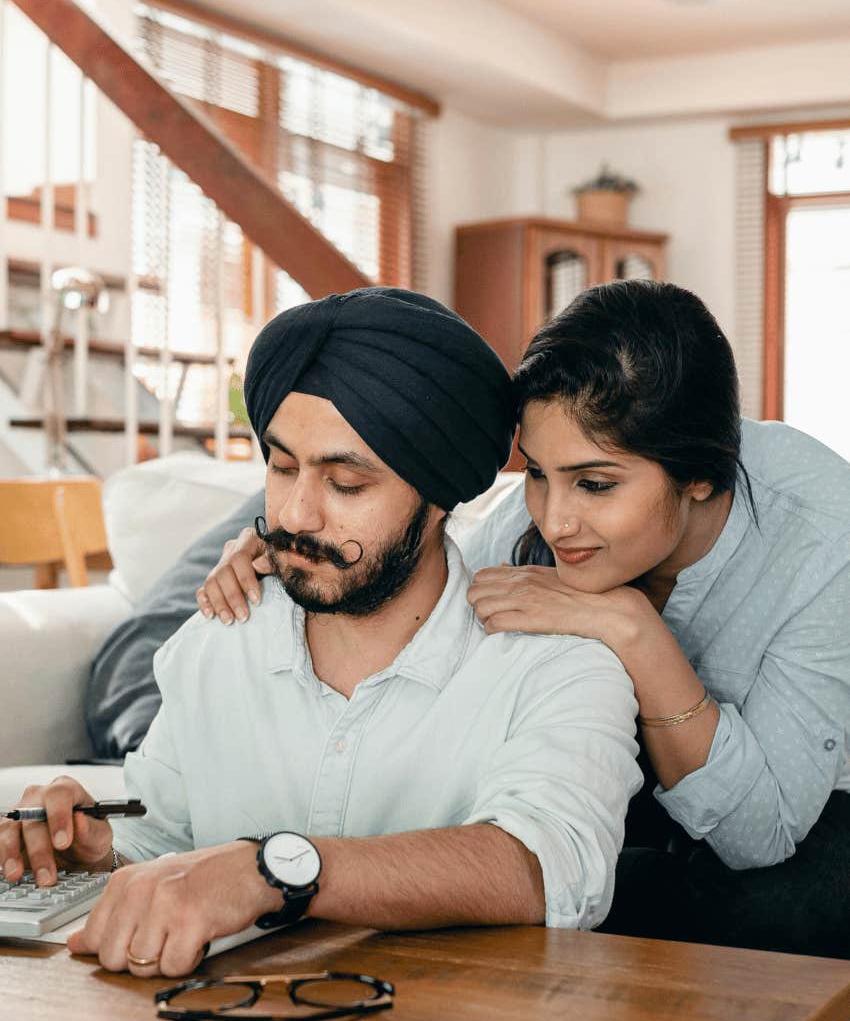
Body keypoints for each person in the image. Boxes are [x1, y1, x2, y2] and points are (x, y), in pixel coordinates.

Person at [0, 287, 641, 977]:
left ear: (438, 495)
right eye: (282, 468)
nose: (296, 515)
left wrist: (273, 871)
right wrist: (96, 853)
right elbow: (161, 836)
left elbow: (551, 867)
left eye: (345, 483)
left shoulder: (557, 665)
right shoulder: (223, 637)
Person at [197, 281, 850, 959]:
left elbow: (760, 834)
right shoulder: (524, 524)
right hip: (624, 795)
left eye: (595, 484)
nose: (554, 520)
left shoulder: (826, 539)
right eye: (537, 473)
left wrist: (632, 628)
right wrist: (302, 553)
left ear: (701, 478)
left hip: (801, 818)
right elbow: (429, 597)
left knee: (777, 911)